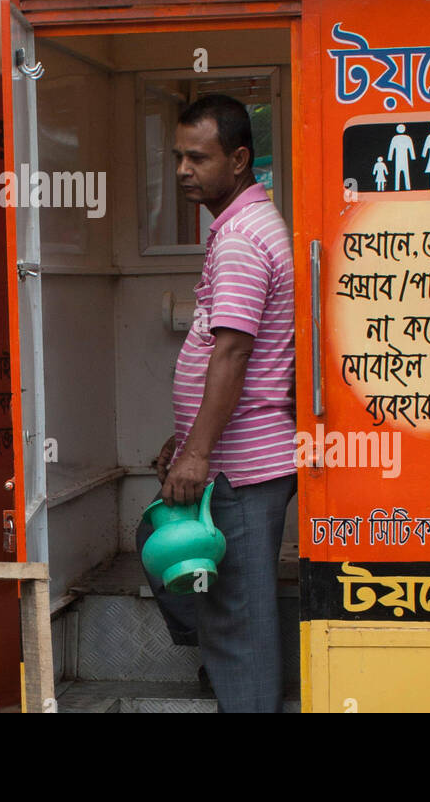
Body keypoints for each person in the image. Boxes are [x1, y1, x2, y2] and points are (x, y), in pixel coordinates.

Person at [136, 93, 297, 712]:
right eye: (177, 156)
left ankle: (243, 687)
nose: (182, 170)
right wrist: (186, 441)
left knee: (240, 615)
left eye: (197, 157)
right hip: (230, 457)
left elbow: (231, 355)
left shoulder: (239, 241)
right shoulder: (244, 226)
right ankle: (230, 670)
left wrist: (196, 454)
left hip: (241, 463)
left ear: (238, 160)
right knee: (190, 574)